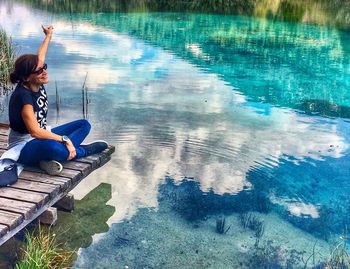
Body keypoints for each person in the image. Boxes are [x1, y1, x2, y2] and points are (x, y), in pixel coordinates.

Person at [7, 25, 108, 175]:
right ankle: (81, 151)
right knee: (53, 147)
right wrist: (65, 139)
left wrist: (48, 35)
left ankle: (47, 160)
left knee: (84, 124)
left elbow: (40, 57)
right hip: (23, 146)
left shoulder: (35, 81)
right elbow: (35, 132)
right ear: (26, 77)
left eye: (44, 67)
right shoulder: (24, 97)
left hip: (41, 136)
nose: (45, 72)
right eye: (40, 71)